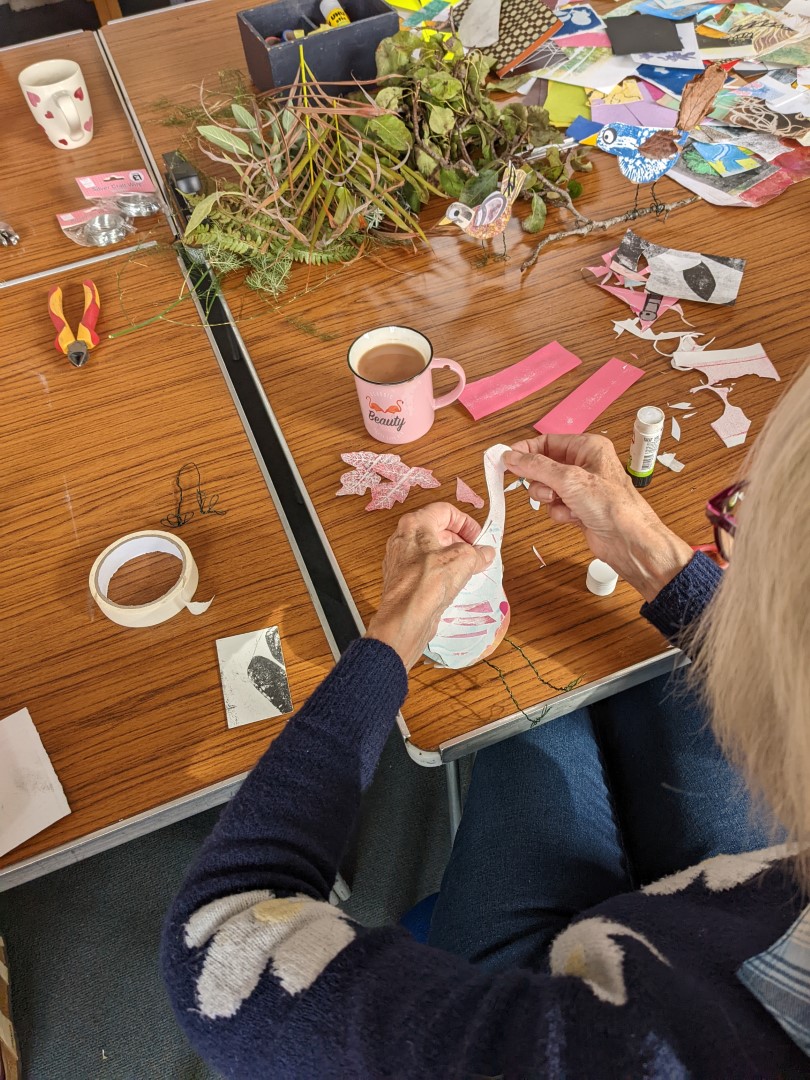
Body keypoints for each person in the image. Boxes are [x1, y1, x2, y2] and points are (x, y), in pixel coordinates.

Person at [161, 366, 810, 1079]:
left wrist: (392, 636)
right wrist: (644, 547)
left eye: (740, 530)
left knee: (519, 715)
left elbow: (218, 937)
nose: (728, 550)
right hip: (749, 892)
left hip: (566, 984)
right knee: (583, 681)